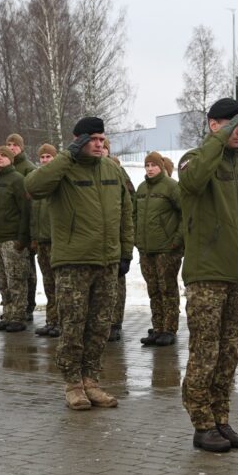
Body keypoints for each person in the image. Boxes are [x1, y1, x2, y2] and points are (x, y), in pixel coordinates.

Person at [25, 117, 133, 410]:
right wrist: (67, 155)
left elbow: (126, 212)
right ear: (78, 140)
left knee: (99, 328)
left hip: (107, 261)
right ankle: (73, 384)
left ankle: (91, 381)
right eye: (92, 139)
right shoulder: (63, 169)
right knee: (73, 326)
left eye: (102, 139)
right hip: (73, 262)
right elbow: (33, 186)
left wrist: (125, 252)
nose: (99, 144)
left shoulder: (112, 170)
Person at [178, 98, 238, 452]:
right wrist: (217, 140)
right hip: (207, 275)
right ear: (214, 125)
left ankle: (220, 418)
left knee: (229, 354)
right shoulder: (194, 160)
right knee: (205, 353)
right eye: (232, 123)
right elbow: (194, 182)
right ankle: (201, 423)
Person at [135, 151, 183, 346]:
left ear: (161, 167)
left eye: (153, 165)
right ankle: (157, 327)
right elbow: (133, 215)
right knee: (153, 290)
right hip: (146, 249)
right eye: (147, 165)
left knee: (167, 289)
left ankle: (169, 329)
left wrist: (176, 240)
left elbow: (186, 213)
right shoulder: (141, 188)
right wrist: (137, 239)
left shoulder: (171, 187)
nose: (150, 169)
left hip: (167, 249)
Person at [0, 146, 31, 333]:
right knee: (1, 280)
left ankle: (18, 316)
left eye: (4, 155)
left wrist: (23, 239)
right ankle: (8, 314)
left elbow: (26, 211)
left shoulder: (18, 180)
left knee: (16, 280)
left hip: (13, 240)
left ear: (11, 159)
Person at [104, 138, 135, 342]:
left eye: (105, 146)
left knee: (117, 285)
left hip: (115, 239)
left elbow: (129, 207)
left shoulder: (118, 172)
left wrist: (127, 248)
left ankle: (115, 322)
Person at [6, 133, 37, 323]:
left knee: (27, 272)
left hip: (24, 229)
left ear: (21, 147)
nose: (11, 148)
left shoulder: (28, 169)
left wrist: (30, 234)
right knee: (12, 274)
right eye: (8, 144)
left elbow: (32, 204)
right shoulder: (6, 168)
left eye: (14, 145)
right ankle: (14, 307)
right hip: (9, 229)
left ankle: (28, 306)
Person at [31, 144, 59, 337]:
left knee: (59, 284)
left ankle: (61, 322)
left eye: (48, 156)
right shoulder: (38, 182)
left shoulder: (58, 180)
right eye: (42, 157)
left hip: (56, 241)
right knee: (48, 283)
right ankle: (52, 320)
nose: (45, 160)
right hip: (42, 241)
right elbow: (34, 214)